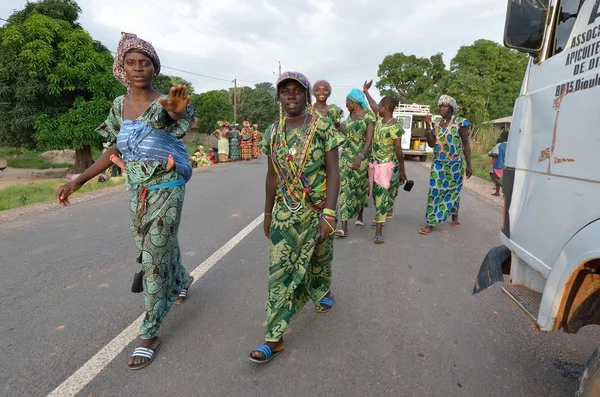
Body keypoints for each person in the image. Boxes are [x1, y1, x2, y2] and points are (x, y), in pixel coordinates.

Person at [55, 32, 195, 370]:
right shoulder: (118, 106)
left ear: (154, 68)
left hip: (168, 183)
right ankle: (180, 280)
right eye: (131, 63)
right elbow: (114, 150)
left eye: (145, 63)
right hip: (137, 187)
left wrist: (176, 113)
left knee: (153, 253)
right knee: (148, 243)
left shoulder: (165, 101)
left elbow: (175, 120)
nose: (138, 68)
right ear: (121, 67)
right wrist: (79, 181)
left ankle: (149, 332)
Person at [249, 71, 344, 363]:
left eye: (296, 90)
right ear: (279, 96)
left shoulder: (323, 127)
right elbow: (271, 176)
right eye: (285, 91)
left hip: (316, 210)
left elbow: (333, 172)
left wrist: (329, 213)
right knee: (279, 272)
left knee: (318, 259)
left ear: (306, 95)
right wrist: (267, 213)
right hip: (284, 215)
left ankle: (321, 290)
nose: (290, 95)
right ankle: (273, 338)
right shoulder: (272, 132)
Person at [418, 95, 472, 235]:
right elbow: (430, 143)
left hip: (455, 164)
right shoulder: (435, 122)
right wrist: (428, 126)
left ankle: (454, 214)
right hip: (438, 163)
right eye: (440, 105)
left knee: (453, 190)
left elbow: (465, 144)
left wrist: (469, 165)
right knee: (435, 189)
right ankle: (430, 222)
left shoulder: (460, 123)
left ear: (451, 108)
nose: (441, 108)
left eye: (445, 105)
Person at [363, 81, 407, 243]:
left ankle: (379, 231)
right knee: (377, 195)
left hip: (387, 167)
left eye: (380, 107)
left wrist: (402, 170)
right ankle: (386, 209)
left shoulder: (394, 126)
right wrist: (366, 91)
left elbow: (398, 151)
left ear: (386, 109)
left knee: (381, 196)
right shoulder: (380, 120)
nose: (377, 108)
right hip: (374, 165)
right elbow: (373, 105)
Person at [336, 88, 375, 237]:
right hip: (346, 156)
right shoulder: (350, 116)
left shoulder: (368, 116)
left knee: (360, 189)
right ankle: (343, 227)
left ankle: (359, 216)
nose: (346, 106)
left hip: (362, 156)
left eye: (347, 103)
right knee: (345, 189)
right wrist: (339, 126)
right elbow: (348, 133)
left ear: (353, 102)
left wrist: (360, 157)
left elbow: (369, 139)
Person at [489, 130, 508, 196]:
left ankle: (506, 189)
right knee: (500, 178)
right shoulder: (510, 145)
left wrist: (491, 154)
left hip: (499, 164)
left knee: (495, 177)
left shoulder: (499, 145)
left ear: (503, 137)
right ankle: (498, 192)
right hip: (507, 165)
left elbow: (495, 154)